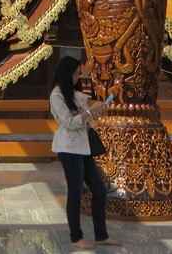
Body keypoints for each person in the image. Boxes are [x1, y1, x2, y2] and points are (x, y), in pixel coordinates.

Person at [50, 55, 120, 250]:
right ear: (66, 74)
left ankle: (101, 234)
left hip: (83, 147)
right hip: (68, 148)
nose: (77, 77)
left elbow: (85, 119)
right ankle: (76, 236)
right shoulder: (56, 96)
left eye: (78, 73)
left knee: (98, 188)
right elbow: (70, 123)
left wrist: (96, 111)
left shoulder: (74, 94)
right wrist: (90, 112)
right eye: (74, 73)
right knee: (76, 191)